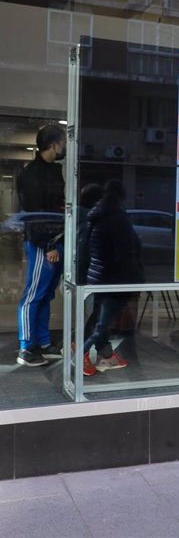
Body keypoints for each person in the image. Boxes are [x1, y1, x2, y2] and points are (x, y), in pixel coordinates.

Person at [81, 179, 144, 376]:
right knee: (101, 320)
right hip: (113, 277)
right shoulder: (117, 218)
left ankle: (104, 355)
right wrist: (134, 277)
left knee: (100, 316)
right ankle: (79, 351)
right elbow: (125, 253)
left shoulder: (98, 216)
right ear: (122, 197)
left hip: (99, 274)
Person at [16, 124, 66, 367]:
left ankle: (44, 342)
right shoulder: (31, 174)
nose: (65, 146)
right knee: (33, 296)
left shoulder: (53, 172)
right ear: (53, 144)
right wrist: (48, 246)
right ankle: (26, 348)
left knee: (45, 295)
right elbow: (35, 216)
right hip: (42, 244)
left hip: (54, 242)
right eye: (63, 142)